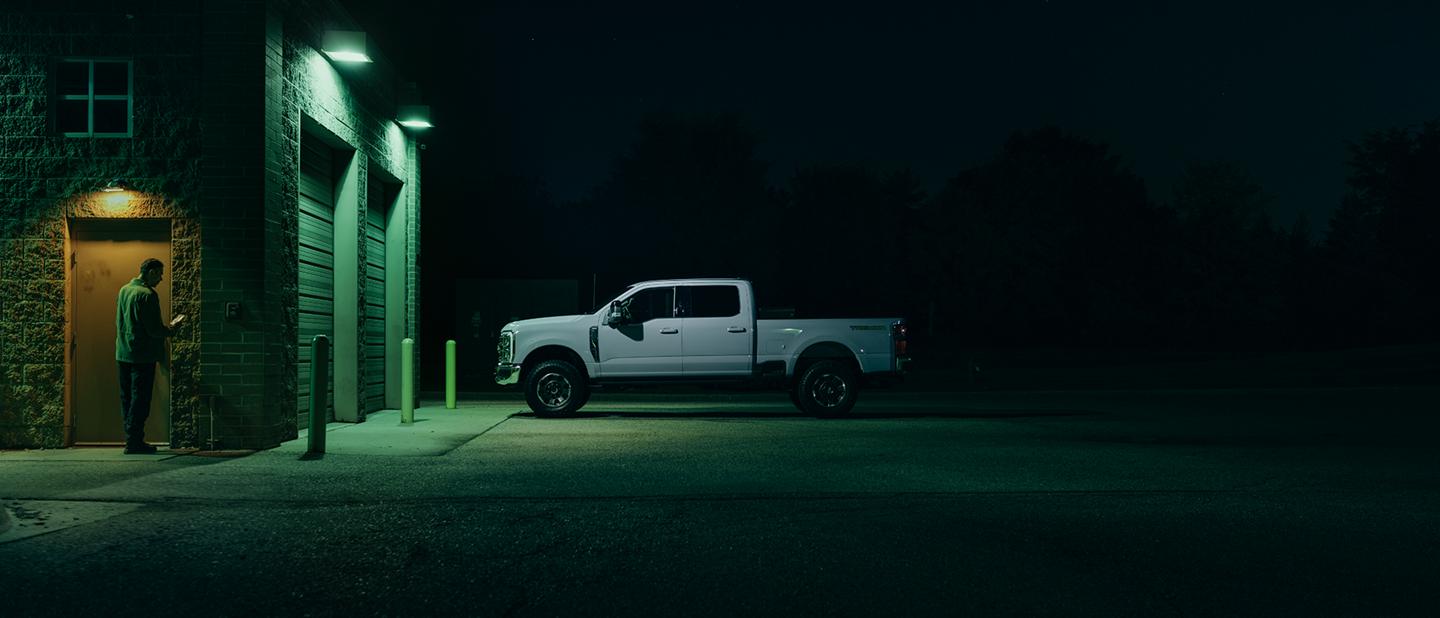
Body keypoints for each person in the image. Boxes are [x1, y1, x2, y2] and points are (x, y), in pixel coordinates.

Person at [115, 258, 184, 454]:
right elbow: (153, 330)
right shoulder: (147, 295)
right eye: (160, 274)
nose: (161, 278)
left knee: (127, 397)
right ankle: (134, 441)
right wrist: (171, 329)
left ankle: (131, 438)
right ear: (151, 272)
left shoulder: (124, 290)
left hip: (123, 352)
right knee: (141, 398)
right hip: (142, 355)